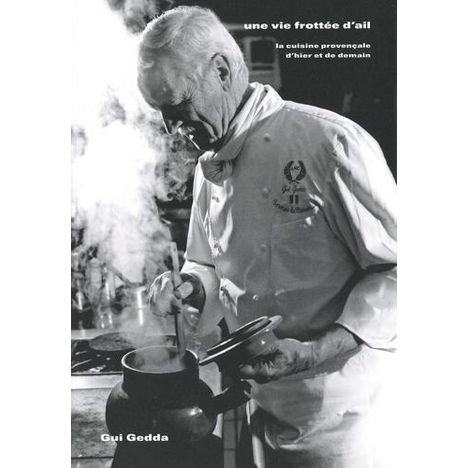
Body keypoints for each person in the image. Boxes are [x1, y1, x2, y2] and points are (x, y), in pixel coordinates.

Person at [139, 6, 396, 467]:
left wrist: (314, 352)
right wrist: (191, 286)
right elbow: (208, 263)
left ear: (221, 71)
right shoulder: (209, 164)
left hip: (346, 425)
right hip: (261, 405)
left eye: (177, 106)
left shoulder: (329, 144)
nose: (171, 128)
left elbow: (399, 274)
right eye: (160, 113)